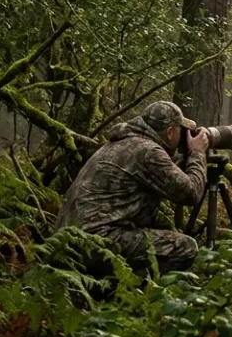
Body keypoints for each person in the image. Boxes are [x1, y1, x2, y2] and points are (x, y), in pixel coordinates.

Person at [55, 100, 210, 273]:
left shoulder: (118, 143)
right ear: (169, 132)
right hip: (95, 243)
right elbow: (191, 193)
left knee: (163, 229)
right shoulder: (149, 151)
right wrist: (197, 152)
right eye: (182, 132)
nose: (184, 138)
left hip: (65, 241)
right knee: (186, 247)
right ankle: (129, 286)